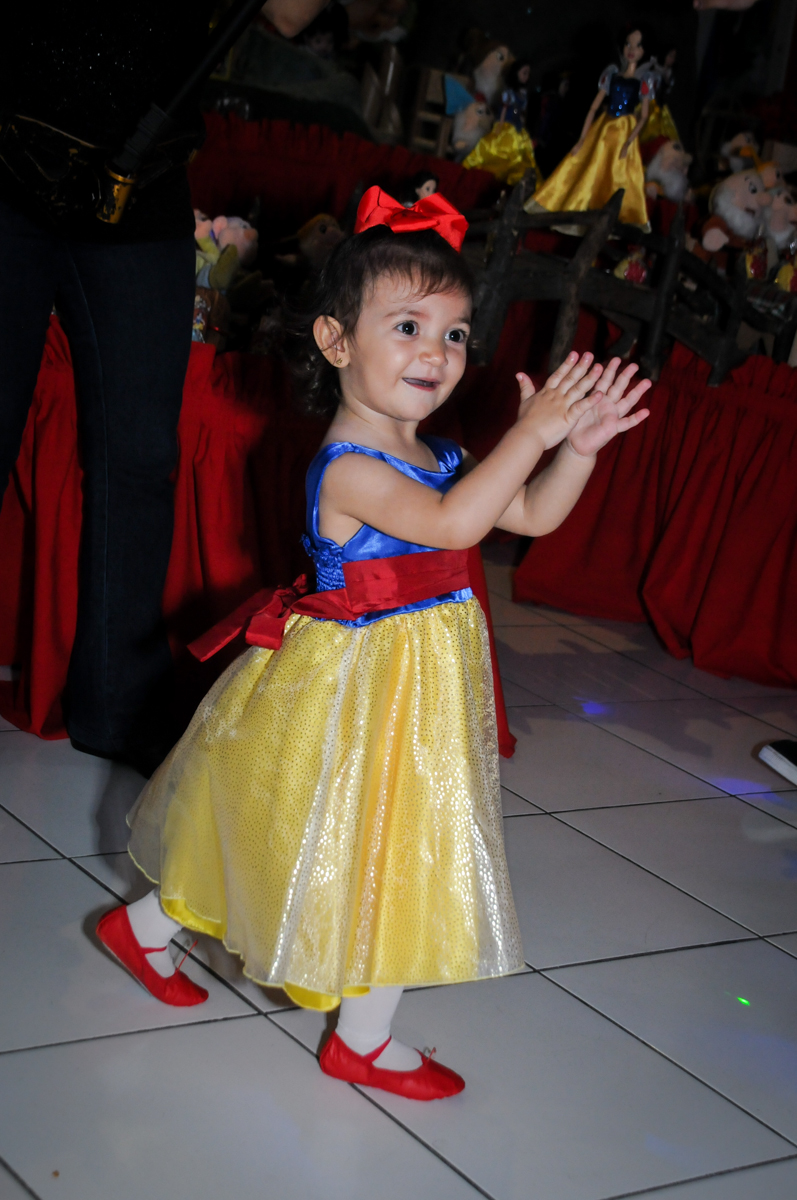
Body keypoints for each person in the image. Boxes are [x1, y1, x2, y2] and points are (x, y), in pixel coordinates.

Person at [95, 187, 651, 1099]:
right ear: (334, 340)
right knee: (289, 843)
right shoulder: (351, 466)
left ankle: (350, 1031)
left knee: (398, 854)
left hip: (418, 693)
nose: (437, 351)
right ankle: (160, 934)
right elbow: (454, 525)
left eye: (456, 333)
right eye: (408, 327)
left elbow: (527, 515)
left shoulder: (439, 454)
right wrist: (528, 432)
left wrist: (576, 449)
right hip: (343, 693)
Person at [0, 0, 327, 775]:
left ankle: (118, 709)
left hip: (140, 181)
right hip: (9, 158)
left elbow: (288, 15)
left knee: (142, 457)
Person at [527, 25, 654, 229]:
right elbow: (593, 108)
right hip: (604, 127)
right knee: (590, 168)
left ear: (644, 50)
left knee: (618, 175)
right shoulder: (611, 75)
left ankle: (614, 221)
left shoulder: (644, 81)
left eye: (637, 46)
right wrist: (582, 140)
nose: (631, 49)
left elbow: (644, 116)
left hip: (624, 130)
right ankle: (578, 212)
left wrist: (629, 142)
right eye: (628, 44)